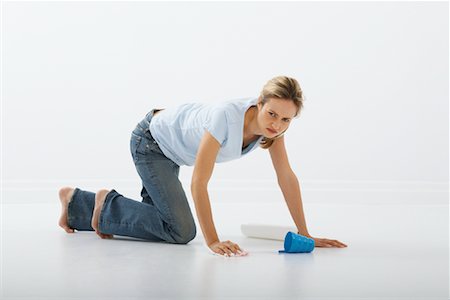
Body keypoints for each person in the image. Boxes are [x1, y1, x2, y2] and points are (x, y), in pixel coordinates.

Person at [58, 75, 347, 257]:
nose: (276, 125)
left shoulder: (273, 130)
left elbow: (286, 177)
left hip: (172, 151)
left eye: (286, 120)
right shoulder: (226, 118)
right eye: (272, 114)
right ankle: (107, 204)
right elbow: (199, 182)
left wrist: (305, 231)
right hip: (152, 143)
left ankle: (76, 205)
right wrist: (213, 240)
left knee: (162, 223)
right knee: (181, 231)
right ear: (259, 103)